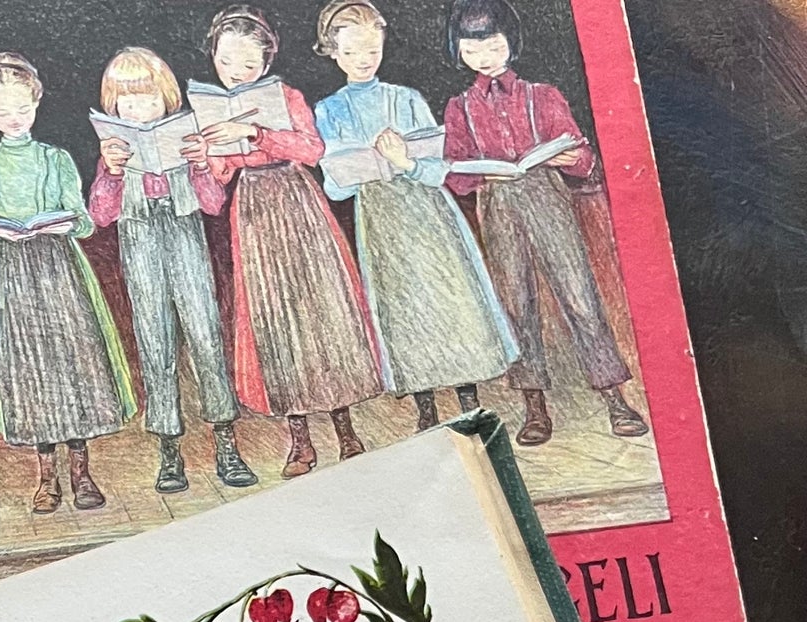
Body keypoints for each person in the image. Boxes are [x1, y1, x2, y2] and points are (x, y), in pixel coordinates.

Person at [185, 8, 381, 478]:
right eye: (226, 61)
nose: (236, 71)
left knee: (322, 313)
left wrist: (255, 133)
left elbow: (312, 150)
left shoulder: (286, 96)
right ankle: (300, 440)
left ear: (267, 61)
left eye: (248, 63)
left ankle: (346, 429)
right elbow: (219, 182)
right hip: (253, 211)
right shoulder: (210, 108)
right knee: (274, 317)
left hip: (298, 201)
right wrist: (203, 157)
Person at [442, 0, 649, 446]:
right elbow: (455, 174)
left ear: (511, 43)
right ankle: (534, 406)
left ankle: (613, 397)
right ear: (458, 51)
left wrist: (571, 157)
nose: (484, 57)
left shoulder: (543, 95)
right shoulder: (459, 108)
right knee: (516, 303)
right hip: (496, 202)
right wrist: (483, 173)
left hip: (547, 195)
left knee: (579, 294)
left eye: (493, 46)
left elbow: (583, 156)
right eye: (472, 50)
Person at [312, 0, 516, 432]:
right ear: (332, 52)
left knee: (451, 299)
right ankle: (426, 409)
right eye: (351, 52)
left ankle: (469, 399)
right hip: (380, 219)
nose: (363, 60)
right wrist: (363, 165)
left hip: (428, 212)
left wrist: (404, 160)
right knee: (403, 308)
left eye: (372, 50)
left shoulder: (406, 98)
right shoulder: (330, 109)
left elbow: (437, 165)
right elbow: (336, 186)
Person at [0, 50, 136, 515]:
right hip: (11, 274)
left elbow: (83, 220)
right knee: (28, 369)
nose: (13, 117)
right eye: (2, 110)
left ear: (37, 102)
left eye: (22, 107)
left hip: (59, 269)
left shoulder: (55, 158)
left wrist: (62, 223)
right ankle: (46, 477)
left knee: (71, 364)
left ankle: (82, 471)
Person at [86, 45, 255, 493]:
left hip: (185, 239)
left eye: (148, 97)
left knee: (206, 336)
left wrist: (199, 165)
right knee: (154, 341)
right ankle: (168, 449)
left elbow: (213, 204)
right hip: (140, 243)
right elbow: (100, 214)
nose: (138, 108)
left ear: (167, 98)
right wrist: (113, 173)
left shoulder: (186, 139)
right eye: (127, 100)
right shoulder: (114, 154)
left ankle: (226, 441)